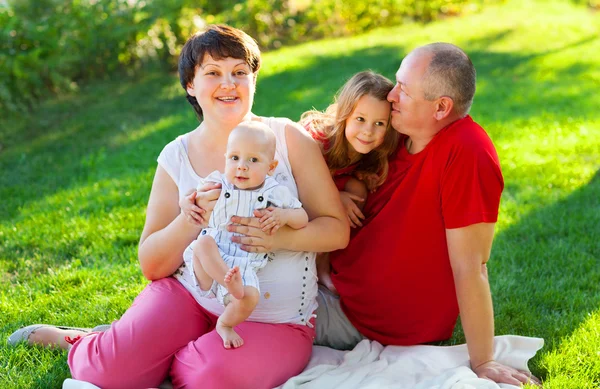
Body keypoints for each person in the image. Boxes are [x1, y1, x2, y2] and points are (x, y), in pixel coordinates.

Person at [8, 24, 348, 389]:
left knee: (208, 376)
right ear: (190, 85)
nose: (229, 83)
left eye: (240, 72)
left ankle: (161, 349)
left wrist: (277, 239)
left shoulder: (287, 139)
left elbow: (336, 229)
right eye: (213, 73)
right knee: (106, 372)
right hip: (189, 296)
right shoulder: (177, 156)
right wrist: (191, 219)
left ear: (254, 80)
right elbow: (152, 264)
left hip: (273, 317)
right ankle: (92, 342)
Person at [314, 43, 541, 387]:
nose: (391, 95)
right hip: (329, 281)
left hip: (355, 316)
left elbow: (471, 267)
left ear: (441, 107)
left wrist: (483, 361)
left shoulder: (467, 153)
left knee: (234, 310)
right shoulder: (392, 133)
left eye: (403, 88)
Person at [177, 121, 309, 349]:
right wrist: (186, 204)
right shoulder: (219, 182)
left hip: (243, 266)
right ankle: (224, 279)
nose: (242, 167)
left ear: (271, 166)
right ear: (226, 158)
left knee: (250, 297)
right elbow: (190, 195)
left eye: (253, 160)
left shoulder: (274, 191)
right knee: (203, 242)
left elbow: (302, 218)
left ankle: (225, 324)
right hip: (212, 257)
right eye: (235, 158)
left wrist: (284, 215)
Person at [299, 70, 398, 291]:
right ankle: (310, 264)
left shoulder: (374, 151)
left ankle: (326, 262)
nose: (368, 132)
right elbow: (298, 186)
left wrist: (361, 177)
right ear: (345, 115)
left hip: (329, 190)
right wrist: (335, 199)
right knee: (346, 196)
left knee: (357, 189)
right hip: (297, 194)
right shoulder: (318, 141)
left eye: (379, 124)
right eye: (360, 119)